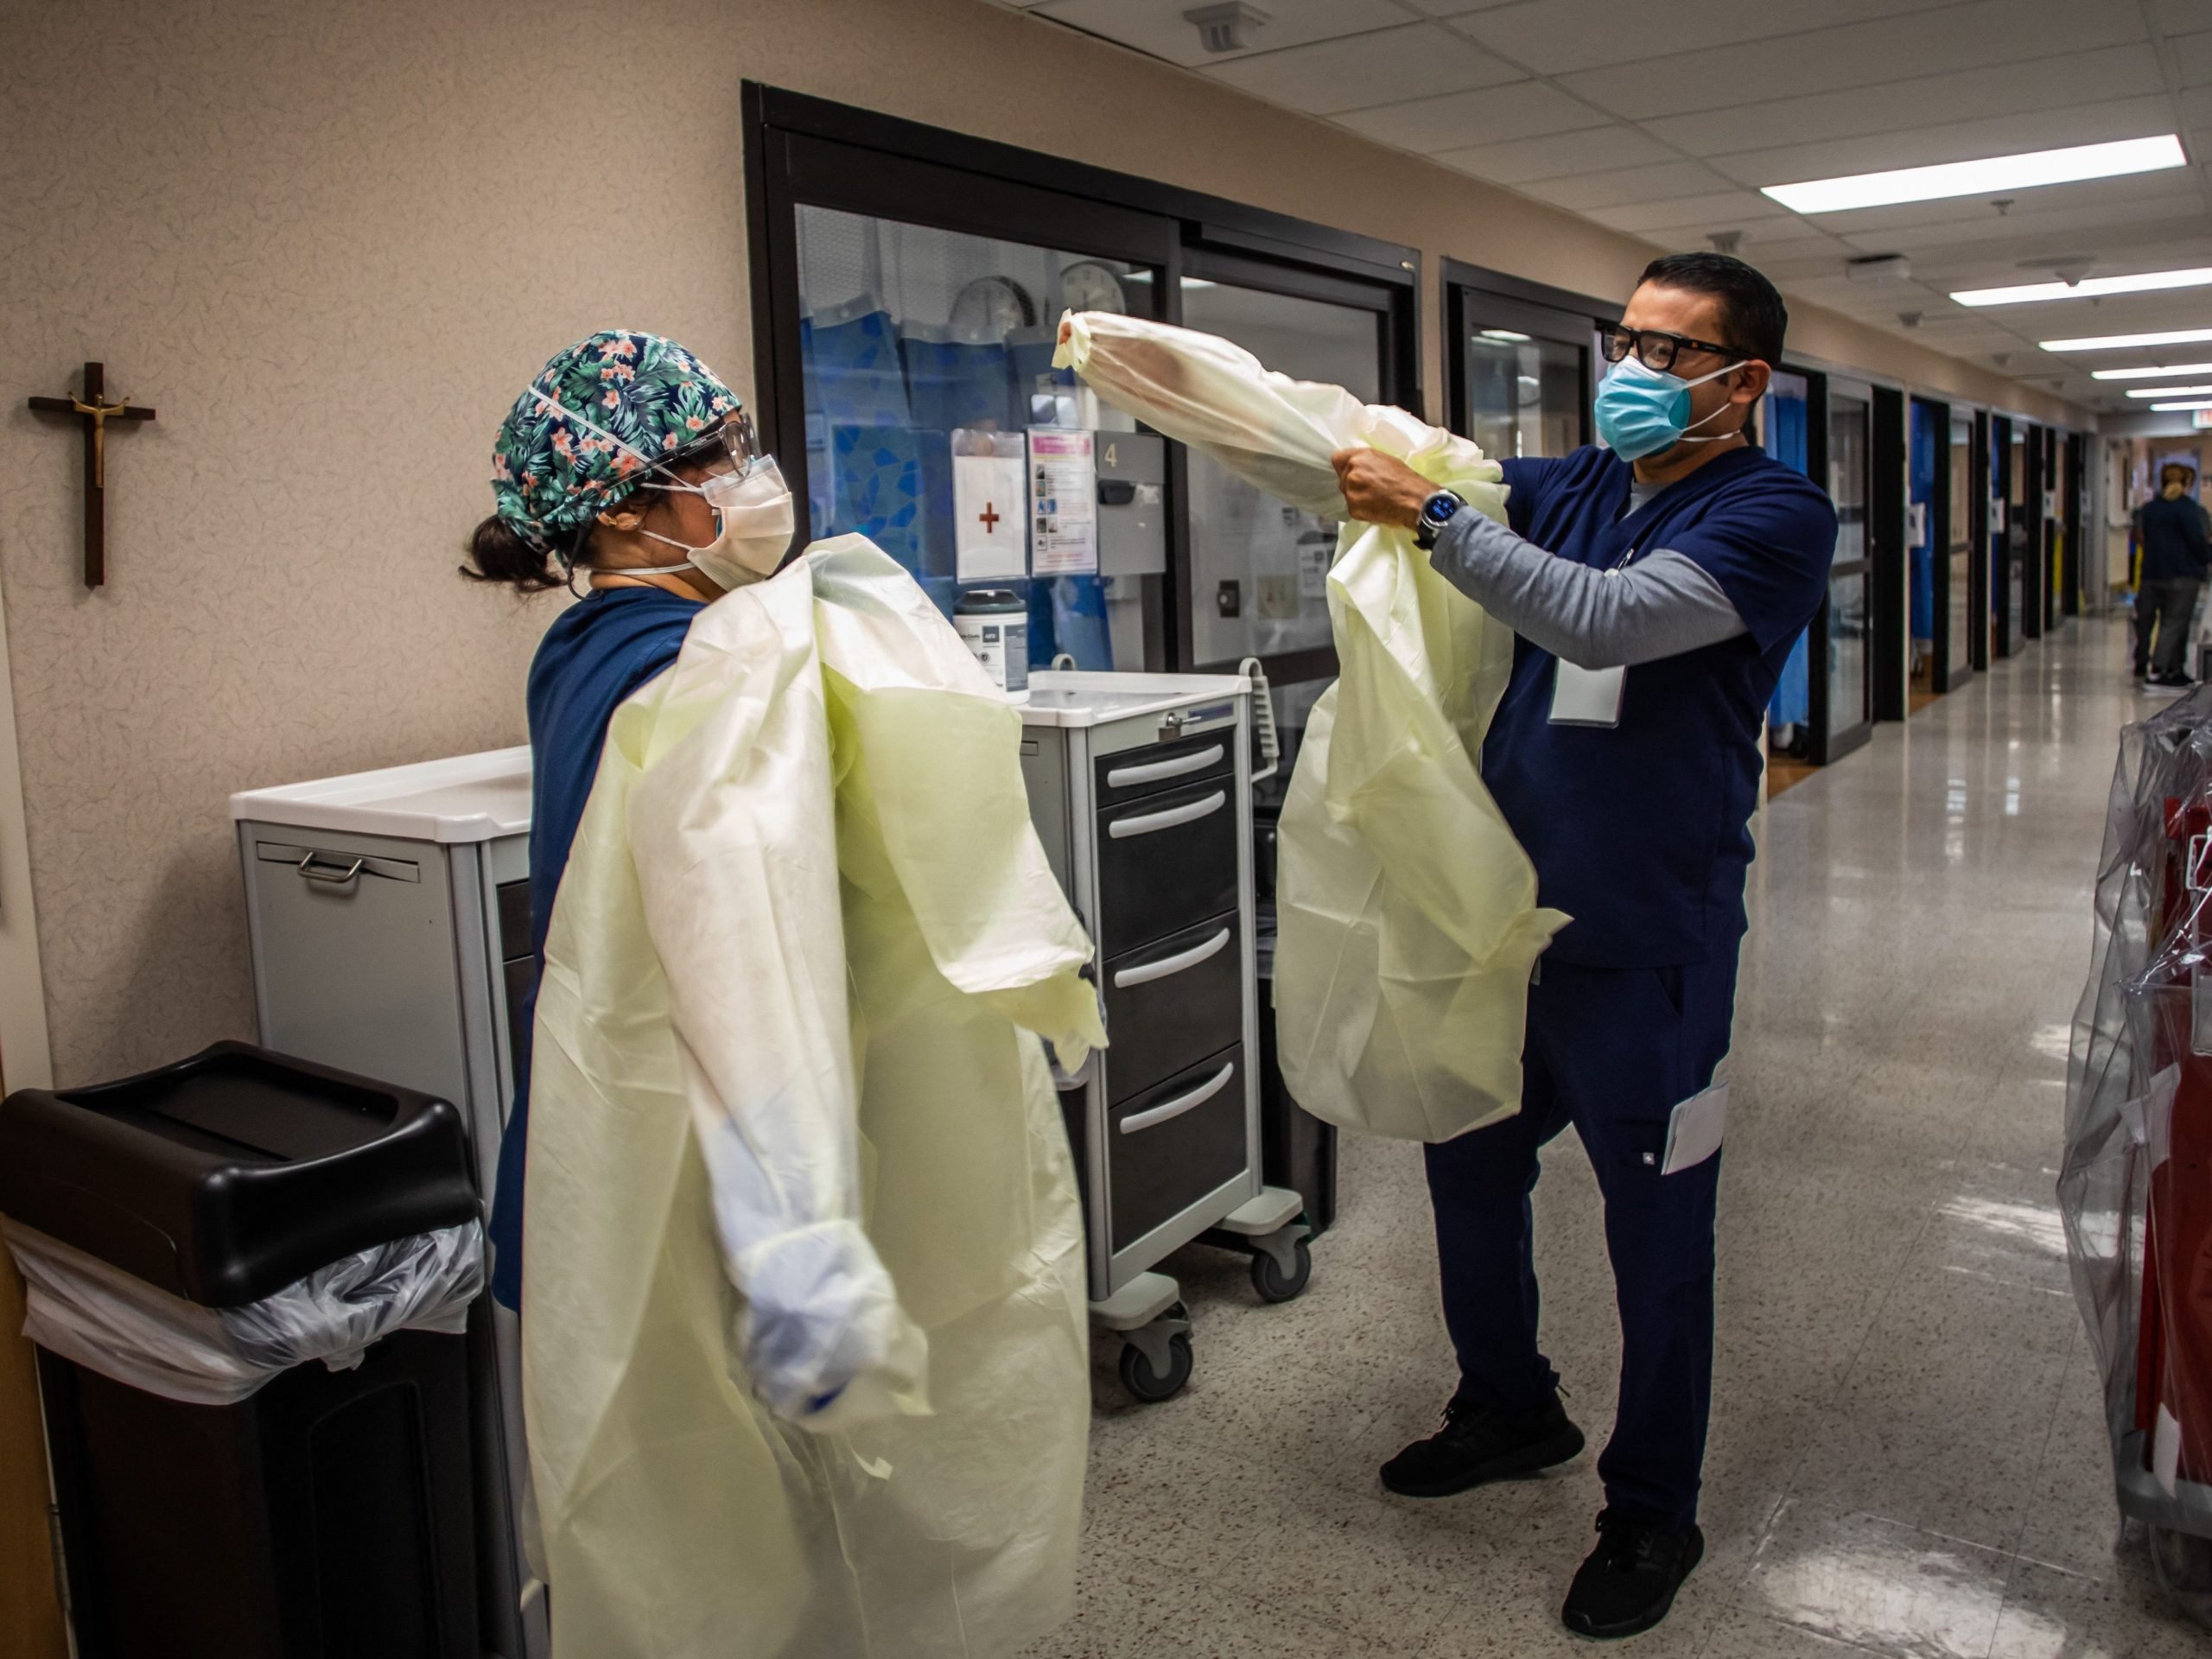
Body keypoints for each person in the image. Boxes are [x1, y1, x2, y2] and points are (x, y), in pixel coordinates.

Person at [1332, 253, 1838, 1641]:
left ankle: (1650, 1509)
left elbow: (1606, 617)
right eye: (1627, 338)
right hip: (1505, 923)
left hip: (1646, 940)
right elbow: (1400, 480)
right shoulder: (1571, 487)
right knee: (1468, 1174)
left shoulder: (1774, 512)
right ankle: (1509, 1407)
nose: (1637, 370)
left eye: (1675, 354)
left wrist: (1430, 511)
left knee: (1658, 1233)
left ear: (1748, 382)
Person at [462, 327, 791, 1308]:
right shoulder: (683, 664)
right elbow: (734, 931)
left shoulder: (590, 642)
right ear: (620, 515)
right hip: (688, 1116)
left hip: (630, 1099)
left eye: (741, 447)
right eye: (713, 460)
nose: (748, 479)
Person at [2131, 461, 2210, 687]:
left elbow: (2139, 537)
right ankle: (2162, 668)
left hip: (2151, 574)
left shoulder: (2148, 509)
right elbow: (2198, 541)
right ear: (2187, 483)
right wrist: (2206, 559)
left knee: (2146, 621)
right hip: (2183, 575)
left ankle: (2165, 666)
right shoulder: (2190, 509)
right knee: (2175, 622)